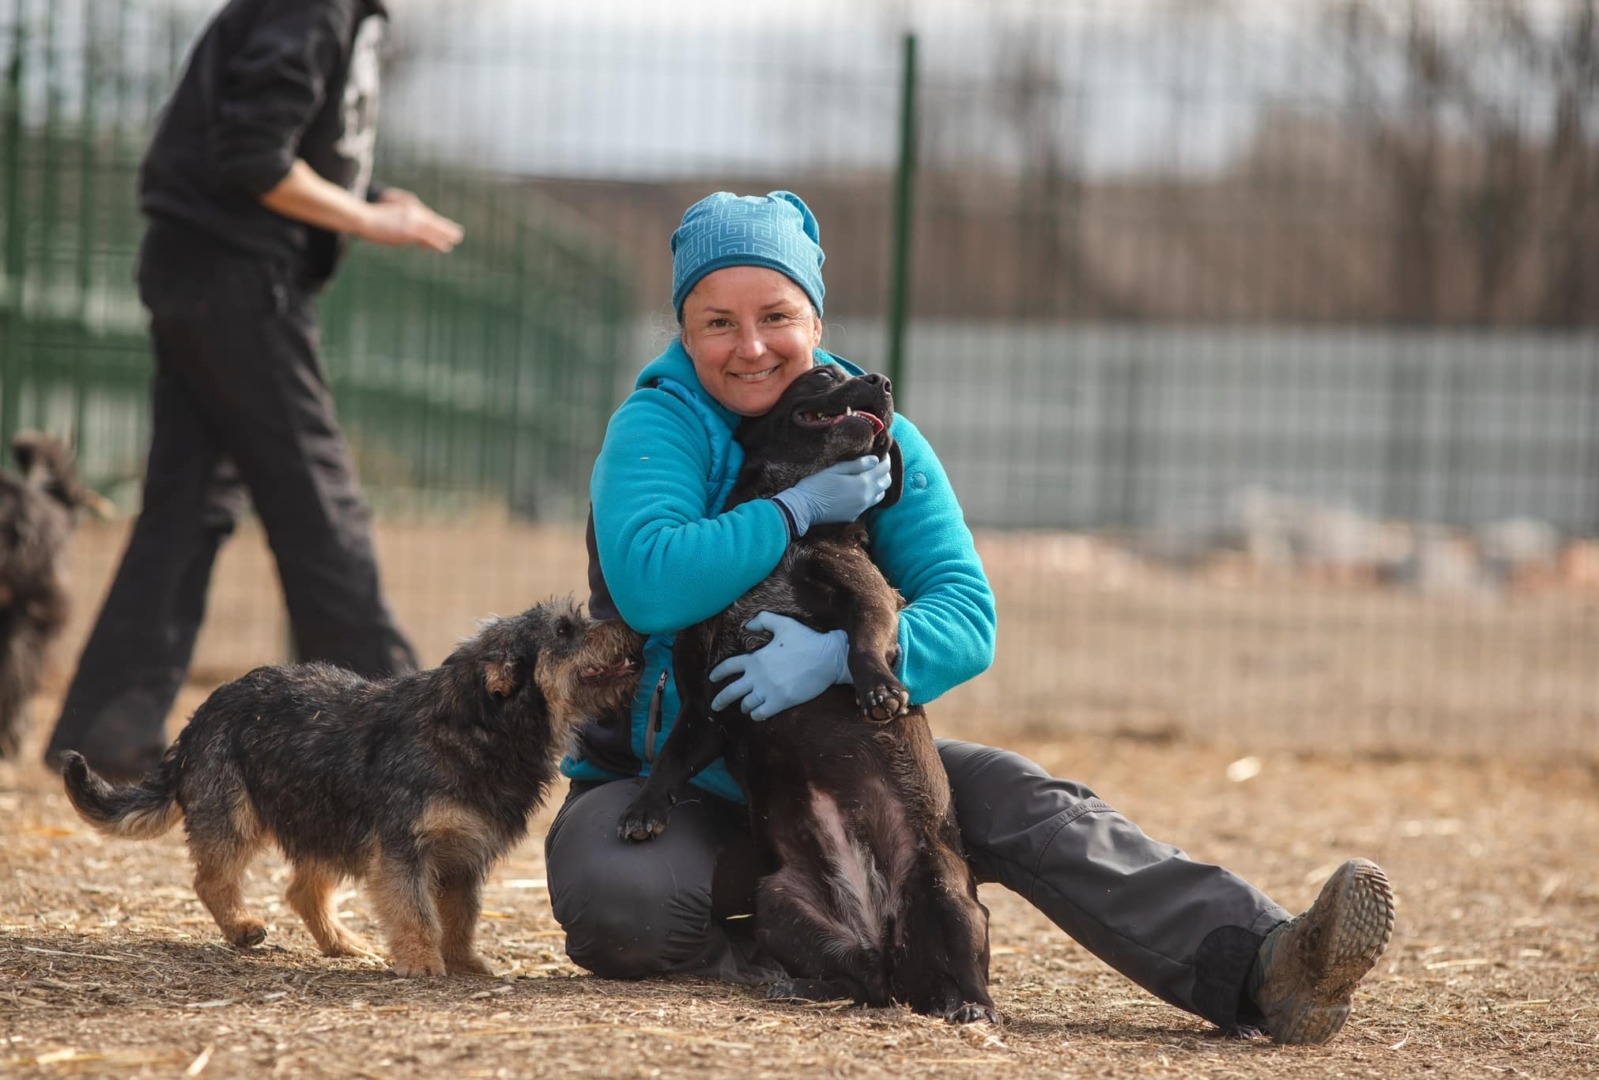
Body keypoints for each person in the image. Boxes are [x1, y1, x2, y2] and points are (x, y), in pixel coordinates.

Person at [544, 190, 1395, 1045]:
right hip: (683, 779)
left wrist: (846, 660)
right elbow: (654, 585)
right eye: (716, 322)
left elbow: (966, 611)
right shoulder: (657, 427)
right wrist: (797, 510)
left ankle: (1265, 962)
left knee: (1026, 803)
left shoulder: (876, 436)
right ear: (681, 331)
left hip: (841, 750)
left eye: (776, 315)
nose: (751, 346)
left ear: (816, 316)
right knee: (625, 898)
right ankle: (772, 954)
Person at [43, 0, 463, 781]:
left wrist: (369, 202)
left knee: (188, 504)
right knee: (318, 500)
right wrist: (370, 226)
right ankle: (406, 740)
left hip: (207, 267)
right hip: (235, 274)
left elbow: (287, 143)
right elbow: (254, 155)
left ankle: (108, 726)